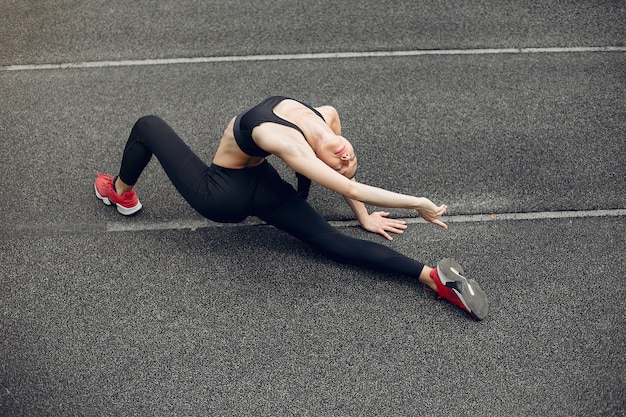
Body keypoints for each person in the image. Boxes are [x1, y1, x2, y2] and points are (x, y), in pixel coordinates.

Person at [94, 96, 489, 320]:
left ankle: (433, 278)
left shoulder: (308, 134)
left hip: (238, 189)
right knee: (330, 240)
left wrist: (376, 212)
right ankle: (122, 192)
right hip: (242, 190)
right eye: (341, 158)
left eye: (343, 161)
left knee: (148, 124)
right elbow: (347, 180)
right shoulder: (320, 120)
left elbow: (348, 184)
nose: (344, 155)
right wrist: (393, 206)